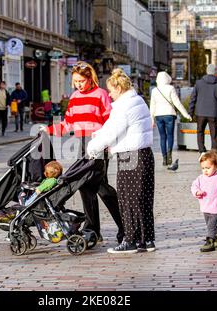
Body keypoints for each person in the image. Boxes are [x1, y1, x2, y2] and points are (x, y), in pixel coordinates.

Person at [43, 61, 125, 244]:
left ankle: (123, 226)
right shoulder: (74, 97)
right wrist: (48, 130)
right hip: (82, 144)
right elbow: (68, 123)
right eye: (76, 81)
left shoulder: (101, 95)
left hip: (99, 144)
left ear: (90, 78)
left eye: (81, 81)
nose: (79, 84)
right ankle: (93, 230)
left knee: (101, 188)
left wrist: (108, 145)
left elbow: (110, 122)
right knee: (87, 186)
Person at [87, 68, 155, 254]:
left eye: (111, 89)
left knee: (128, 199)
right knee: (144, 199)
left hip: (130, 155)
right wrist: (98, 134)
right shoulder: (136, 100)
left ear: (118, 87)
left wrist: (92, 147)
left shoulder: (124, 106)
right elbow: (112, 126)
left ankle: (130, 241)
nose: (109, 93)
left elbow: (112, 132)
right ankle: (147, 239)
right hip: (145, 153)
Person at [150, 71, 192, 166]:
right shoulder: (170, 88)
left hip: (159, 116)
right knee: (170, 135)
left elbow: (152, 106)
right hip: (169, 115)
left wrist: (152, 119)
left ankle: (164, 158)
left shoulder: (154, 90)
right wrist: (186, 115)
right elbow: (177, 103)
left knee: (162, 137)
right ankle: (169, 155)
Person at [189, 64, 217, 155]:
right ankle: (214, 151)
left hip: (200, 113)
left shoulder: (199, 83)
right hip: (214, 113)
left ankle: (202, 150)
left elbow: (192, 98)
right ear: (215, 72)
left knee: (200, 131)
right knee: (214, 134)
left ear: (207, 71)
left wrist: (191, 112)